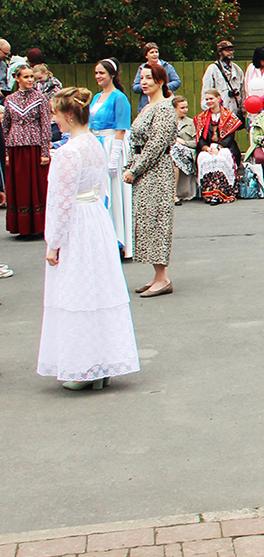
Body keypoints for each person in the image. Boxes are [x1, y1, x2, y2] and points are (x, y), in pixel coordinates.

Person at [37, 87, 140, 390]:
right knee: (96, 288)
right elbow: (103, 188)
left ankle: (84, 367)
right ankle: (102, 361)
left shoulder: (68, 152)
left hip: (77, 222)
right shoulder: (95, 144)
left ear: (69, 115)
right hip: (95, 218)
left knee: (76, 290)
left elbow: (60, 200)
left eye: (56, 113)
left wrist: (53, 241)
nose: (54, 119)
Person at [123, 63, 177, 298]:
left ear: (161, 81)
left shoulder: (164, 108)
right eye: (142, 78)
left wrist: (135, 169)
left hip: (156, 171)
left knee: (157, 221)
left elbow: (156, 145)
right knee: (145, 220)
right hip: (144, 169)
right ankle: (157, 275)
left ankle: (163, 278)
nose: (144, 82)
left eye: (149, 78)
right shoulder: (146, 107)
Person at [89, 58, 133, 257]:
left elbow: (121, 128)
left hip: (112, 144)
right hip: (97, 145)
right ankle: (103, 238)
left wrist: (114, 157)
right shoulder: (96, 97)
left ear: (112, 75)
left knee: (114, 193)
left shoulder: (119, 97)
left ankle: (119, 240)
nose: (98, 76)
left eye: (102, 73)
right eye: (96, 73)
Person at [3, 62, 50, 237]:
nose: (30, 80)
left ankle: (38, 226)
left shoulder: (40, 98)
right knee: (19, 186)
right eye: (26, 77)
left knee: (36, 185)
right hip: (15, 147)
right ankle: (21, 227)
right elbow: (5, 126)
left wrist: (45, 151)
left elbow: (45, 125)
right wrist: (6, 152)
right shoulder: (9, 100)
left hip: (34, 146)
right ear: (17, 79)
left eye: (32, 76)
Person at [194, 88, 242, 205]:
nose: (209, 101)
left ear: (218, 99)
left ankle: (224, 191)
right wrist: (206, 148)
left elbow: (230, 137)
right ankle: (208, 193)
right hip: (208, 147)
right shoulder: (202, 118)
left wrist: (219, 147)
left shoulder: (229, 116)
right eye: (207, 99)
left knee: (221, 158)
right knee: (204, 157)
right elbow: (200, 138)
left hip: (225, 147)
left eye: (211, 98)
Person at [131, 43, 181, 112]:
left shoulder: (167, 67)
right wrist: (147, 86)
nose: (155, 54)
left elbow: (177, 82)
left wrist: (163, 87)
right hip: (146, 106)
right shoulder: (142, 68)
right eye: (151, 52)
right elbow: (135, 87)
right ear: (146, 55)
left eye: (156, 52)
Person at [201, 40, 244, 115]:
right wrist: (208, 110)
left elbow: (242, 90)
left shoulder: (237, 70)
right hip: (219, 112)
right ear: (220, 52)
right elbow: (206, 90)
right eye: (227, 50)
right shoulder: (212, 69)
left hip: (234, 111)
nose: (230, 52)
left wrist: (243, 108)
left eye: (231, 50)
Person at [170, 95, 197, 204]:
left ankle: (173, 195)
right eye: (182, 108)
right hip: (172, 153)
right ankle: (171, 194)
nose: (185, 110)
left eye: (186, 107)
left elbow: (196, 143)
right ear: (175, 109)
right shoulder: (168, 123)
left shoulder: (191, 123)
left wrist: (184, 142)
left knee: (175, 149)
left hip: (186, 152)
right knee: (173, 153)